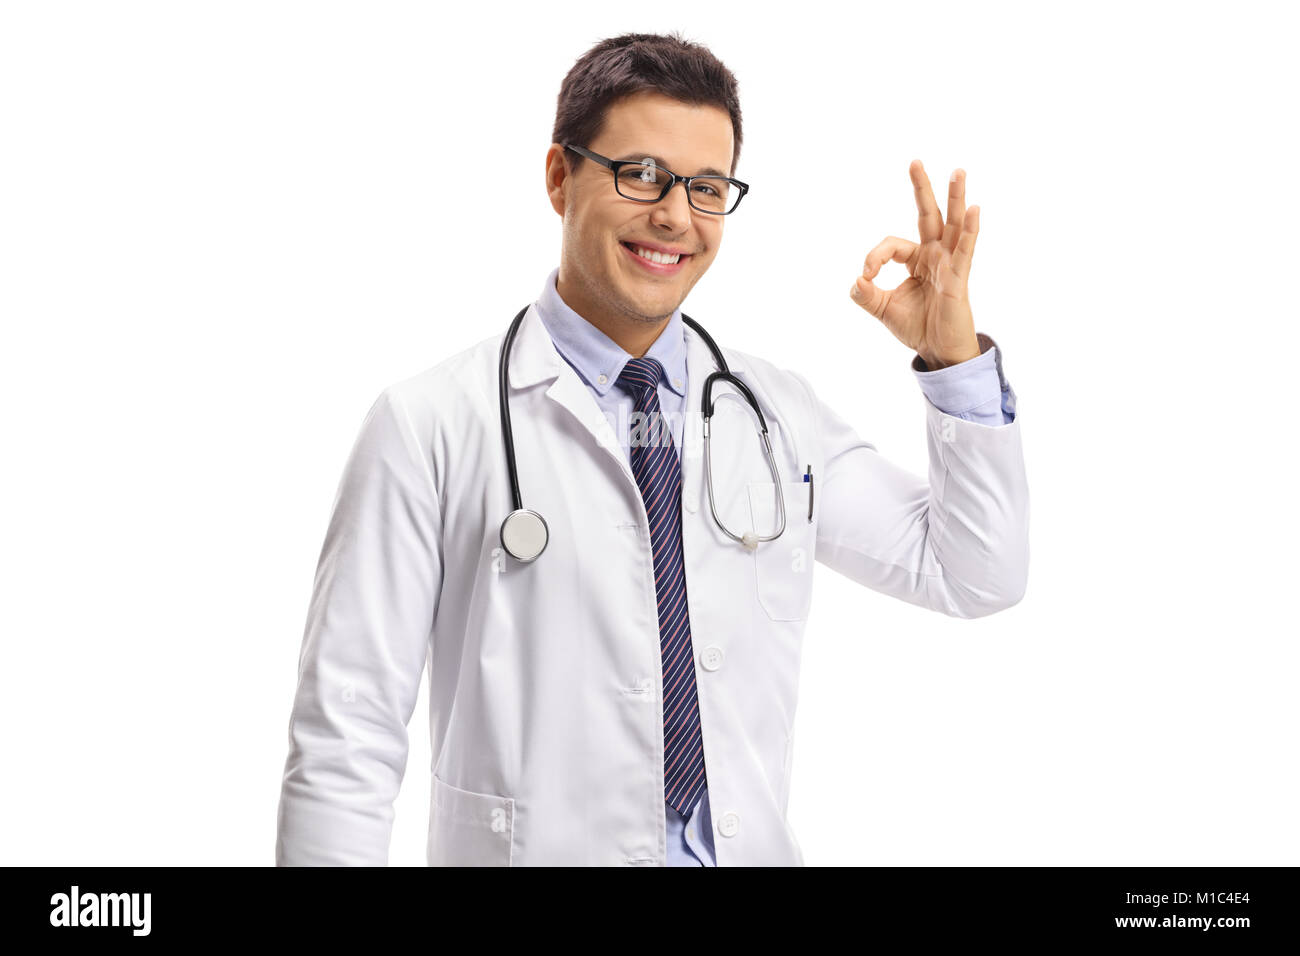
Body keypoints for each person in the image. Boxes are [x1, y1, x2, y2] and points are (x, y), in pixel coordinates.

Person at [275, 31, 1028, 867]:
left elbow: (974, 572)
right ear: (560, 177)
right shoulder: (428, 426)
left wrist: (954, 362)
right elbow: (348, 732)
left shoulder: (775, 415)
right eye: (641, 174)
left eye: (707, 188)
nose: (674, 215)